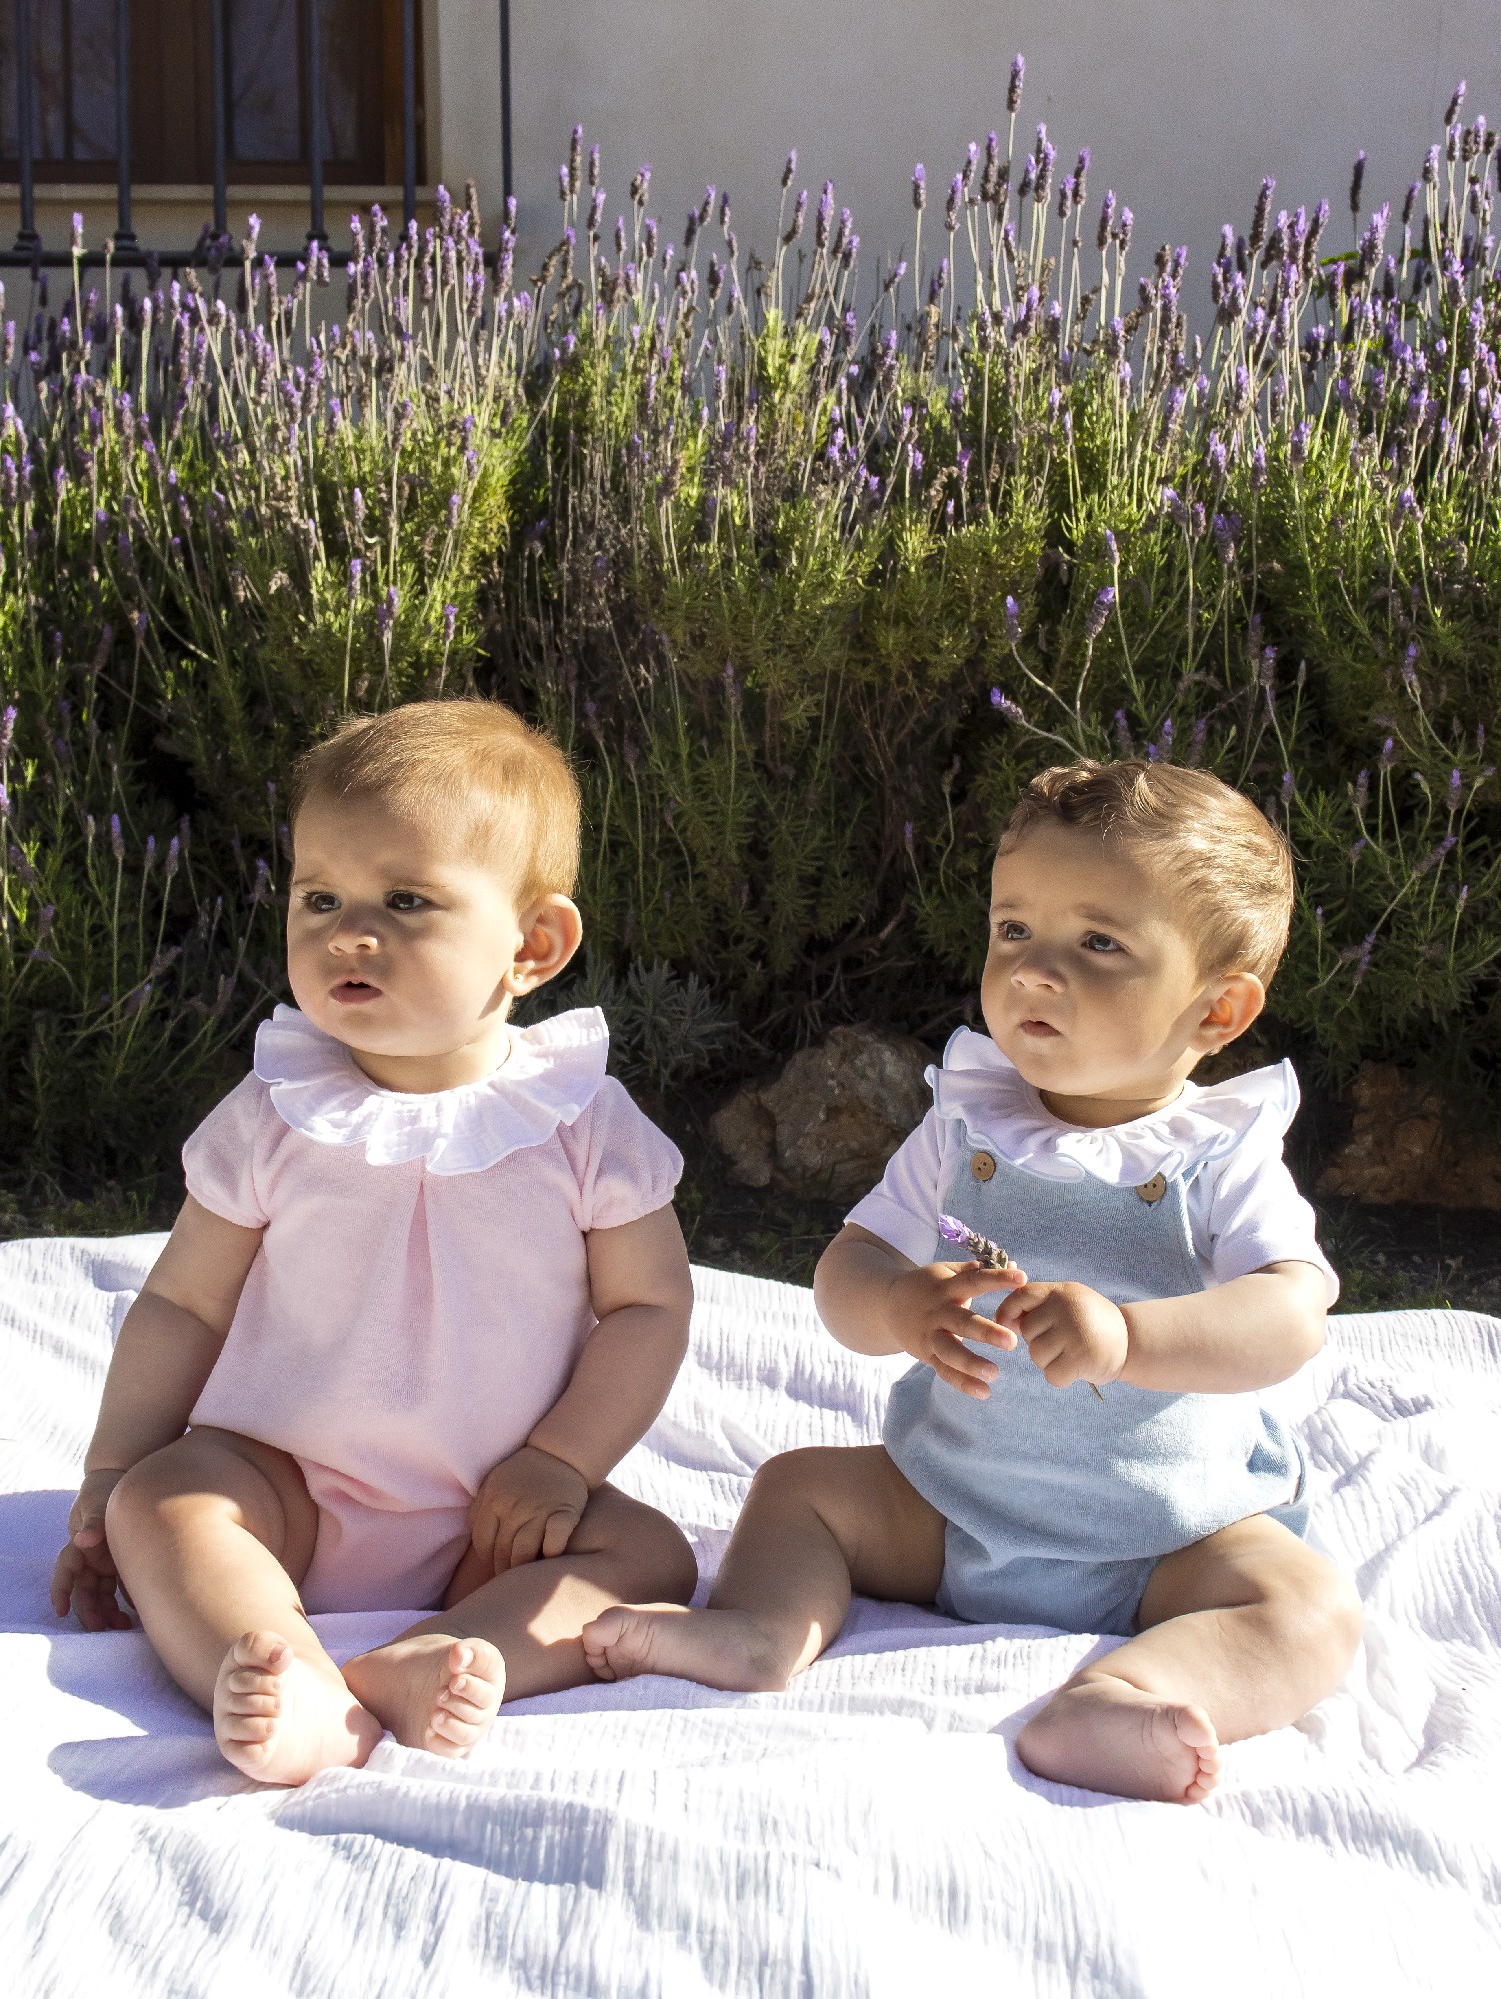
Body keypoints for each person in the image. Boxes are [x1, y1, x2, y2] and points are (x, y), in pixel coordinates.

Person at [583, 758, 1363, 1805]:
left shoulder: (1216, 1156)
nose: (1035, 970)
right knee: (797, 1486)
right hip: (949, 1506)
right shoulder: (968, 1126)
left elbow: (1291, 1314)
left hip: (1168, 1536)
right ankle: (762, 1628)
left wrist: (1134, 1338)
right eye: (1013, 930)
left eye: (1098, 943)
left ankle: (1123, 1694)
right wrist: (895, 1304)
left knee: (1310, 1609)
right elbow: (849, 1264)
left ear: (1216, 1009)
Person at [51, 700, 698, 1786]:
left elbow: (650, 1306)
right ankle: (283, 1671)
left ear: (532, 945)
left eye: (405, 901)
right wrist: (111, 1469)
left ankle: (438, 1652)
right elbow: (182, 1303)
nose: (349, 933)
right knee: (162, 1504)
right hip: (282, 1486)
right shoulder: (276, 1108)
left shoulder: (582, 1121)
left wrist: (562, 1460)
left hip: (496, 1508)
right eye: (320, 898)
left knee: (648, 1555)